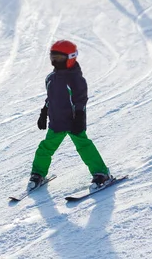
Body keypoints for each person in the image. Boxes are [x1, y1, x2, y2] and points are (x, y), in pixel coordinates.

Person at [28, 40, 112, 190]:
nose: (55, 61)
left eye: (59, 58)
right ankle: (38, 174)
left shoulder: (76, 79)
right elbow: (51, 98)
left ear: (71, 58)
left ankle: (101, 173)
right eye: (53, 57)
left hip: (74, 122)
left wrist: (79, 117)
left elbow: (80, 100)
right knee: (45, 148)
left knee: (84, 147)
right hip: (57, 122)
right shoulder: (50, 78)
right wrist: (44, 112)